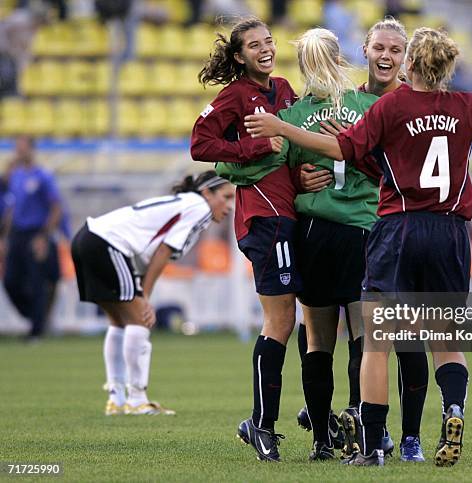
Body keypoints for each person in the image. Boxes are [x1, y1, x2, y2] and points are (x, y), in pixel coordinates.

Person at [244, 27, 472, 466]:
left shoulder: (391, 106)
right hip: (450, 233)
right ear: (448, 67)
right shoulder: (469, 106)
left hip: (397, 230)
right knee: (443, 341)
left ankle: (374, 445)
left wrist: (283, 126)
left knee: (377, 344)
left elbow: (344, 148)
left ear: (410, 64)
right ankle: (451, 411)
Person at [294, 18, 428, 464]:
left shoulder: (404, 106)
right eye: (379, 48)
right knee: (362, 336)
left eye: (395, 50)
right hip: (367, 231)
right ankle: (359, 427)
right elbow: (287, 165)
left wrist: (345, 151)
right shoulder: (354, 103)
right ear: (364, 50)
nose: (387, 57)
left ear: (405, 58)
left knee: (367, 337)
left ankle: (377, 432)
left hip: (392, 230)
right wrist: (299, 176)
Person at [190, 17, 300, 462]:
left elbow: (295, 141)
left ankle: (319, 416)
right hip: (265, 218)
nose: (265, 49)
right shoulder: (235, 95)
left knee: (313, 318)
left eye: (269, 41)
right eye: (254, 45)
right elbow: (201, 143)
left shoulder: (286, 89)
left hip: (296, 214)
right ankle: (262, 424)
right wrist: (254, 148)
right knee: (281, 321)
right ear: (239, 56)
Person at [71, 172, 234, 416]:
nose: (231, 206)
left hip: (87, 238)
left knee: (118, 321)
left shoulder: (186, 204)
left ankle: (116, 399)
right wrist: (144, 297)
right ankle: (137, 400)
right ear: (207, 193)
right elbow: (163, 251)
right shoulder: (199, 207)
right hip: (107, 243)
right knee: (139, 319)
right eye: (227, 197)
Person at [2, 136, 62, 341]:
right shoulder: (15, 176)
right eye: (16, 147)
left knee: (37, 282)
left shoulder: (43, 176)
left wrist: (44, 237)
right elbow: (11, 208)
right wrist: (4, 237)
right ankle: (36, 317)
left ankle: (36, 330)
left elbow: (55, 207)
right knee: (10, 281)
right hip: (17, 234)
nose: (19, 152)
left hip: (35, 234)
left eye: (22, 148)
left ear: (31, 150)